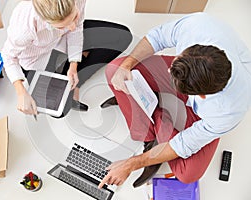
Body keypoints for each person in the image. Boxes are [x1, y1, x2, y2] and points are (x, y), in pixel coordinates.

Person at [98, 12, 251, 189]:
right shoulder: (198, 26)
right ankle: (147, 136)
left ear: (200, 96)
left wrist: (132, 163)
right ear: (190, 51)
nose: (169, 72)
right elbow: (157, 37)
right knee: (115, 70)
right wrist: (127, 65)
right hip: (198, 75)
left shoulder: (228, 111)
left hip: (208, 110)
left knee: (189, 174)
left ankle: (156, 113)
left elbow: (183, 144)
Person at [2, 0, 132, 116]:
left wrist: (74, 65)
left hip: (61, 40)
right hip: (36, 57)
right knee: (60, 109)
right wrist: (21, 92)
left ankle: (75, 78)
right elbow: (8, 57)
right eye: (61, 25)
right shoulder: (24, 26)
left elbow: (76, 30)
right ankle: (64, 76)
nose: (72, 27)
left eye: (74, 16)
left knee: (123, 36)